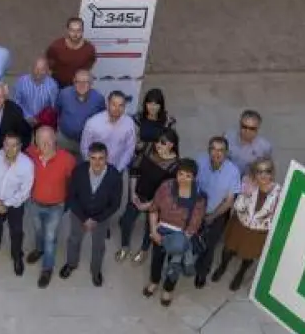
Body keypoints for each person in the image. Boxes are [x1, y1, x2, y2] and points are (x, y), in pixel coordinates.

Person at [142, 160, 206, 307]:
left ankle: (168, 289)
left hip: (180, 236)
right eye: (180, 174)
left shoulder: (198, 197)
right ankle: (154, 281)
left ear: (194, 178)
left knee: (174, 264)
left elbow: (194, 224)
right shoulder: (166, 187)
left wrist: (179, 242)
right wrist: (153, 231)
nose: (183, 178)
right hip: (161, 229)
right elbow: (153, 209)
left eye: (188, 176)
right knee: (157, 259)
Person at [213, 157, 281, 291]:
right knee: (228, 249)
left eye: (267, 171)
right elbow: (238, 207)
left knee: (249, 255)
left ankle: (241, 273)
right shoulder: (248, 184)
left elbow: (278, 215)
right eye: (259, 171)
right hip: (240, 225)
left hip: (258, 231)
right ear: (254, 173)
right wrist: (246, 194)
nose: (263, 175)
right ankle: (222, 266)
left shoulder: (279, 192)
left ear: (272, 173)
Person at [59, 142, 123, 287]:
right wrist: (84, 218)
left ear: (107, 158)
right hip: (79, 213)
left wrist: (96, 219)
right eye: (93, 158)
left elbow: (115, 204)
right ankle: (71, 264)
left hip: (101, 217)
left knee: (98, 245)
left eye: (101, 158)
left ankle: (96, 271)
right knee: (74, 239)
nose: (97, 162)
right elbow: (72, 197)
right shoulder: (79, 171)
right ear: (88, 157)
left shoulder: (114, 176)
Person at [116, 128, 180, 265]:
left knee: (150, 227)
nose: (158, 144)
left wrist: (150, 204)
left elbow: (168, 192)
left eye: (163, 142)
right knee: (126, 221)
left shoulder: (174, 166)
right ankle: (125, 246)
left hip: (156, 202)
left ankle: (144, 250)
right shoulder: (148, 149)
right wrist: (133, 193)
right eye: (157, 141)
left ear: (171, 144)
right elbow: (135, 170)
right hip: (138, 194)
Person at [24, 126, 77, 288]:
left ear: (55, 140)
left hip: (56, 206)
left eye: (49, 139)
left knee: (50, 237)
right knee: (38, 231)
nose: (45, 143)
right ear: (35, 141)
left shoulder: (67, 159)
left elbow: (74, 182)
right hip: (34, 203)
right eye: (41, 139)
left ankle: (47, 268)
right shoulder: (29, 154)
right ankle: (39, 250)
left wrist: (67, 202)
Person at [0, 132, 35, 276]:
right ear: (3, 145)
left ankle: (16, 255)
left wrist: (7, 204)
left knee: (16, 231)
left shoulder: (27, 164)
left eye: (14, 145)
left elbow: (25, 191)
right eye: (6, 145)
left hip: (15, 203)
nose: (9, 149)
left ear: (20, 146)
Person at [193, 136, 242, 288]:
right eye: (213, 149)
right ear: (208, 150)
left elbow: (229, 200)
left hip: (217, 213)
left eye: (221, 150)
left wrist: (212, 216)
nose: (217, 153)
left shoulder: (233, 171)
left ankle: (202, 272)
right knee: (191, 237)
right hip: (195, 209)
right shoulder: (200, 161)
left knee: (209, 245)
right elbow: (191, 184)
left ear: (226, 152)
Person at [79, 91, 137, 173]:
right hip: (95, 168)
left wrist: (118, 169)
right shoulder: (92, 123)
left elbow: (129, 149)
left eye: (121, 105)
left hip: (118, 168)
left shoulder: (129, 123)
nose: (117, 108)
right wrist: (94, 167)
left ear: (124, 107)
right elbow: (85, 148)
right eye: (114, 104)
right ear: (107, 104)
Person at [54, 70, 106, 157]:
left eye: (85, 82)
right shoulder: (64, 94)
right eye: (78, 82)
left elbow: (101, 118)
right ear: (74, 82)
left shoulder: (98, 99)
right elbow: (57, 110)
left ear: (91, 83)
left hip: (86, 142)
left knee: (83, 164)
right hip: (64, 139)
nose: (82, 85)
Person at [44, 17, 96, 89]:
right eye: (72, 30)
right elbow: (48, 64)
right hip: (57, 84)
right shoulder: (56, 46)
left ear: (82, 31)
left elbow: (89, 64)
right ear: (67, 30)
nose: (75, 34)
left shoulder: (89, 49)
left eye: (78, 30)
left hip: (78, 86)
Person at [13, 56, 59, 127]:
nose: (38, 72)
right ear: (31, 68)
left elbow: (53, 107)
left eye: (42, 69)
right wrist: (27, 116)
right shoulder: (21, 81)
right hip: (23, 119)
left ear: (47, 71)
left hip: (43, 122)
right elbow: (16, 102)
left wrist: (40, 119)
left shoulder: (53, 85)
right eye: (36, 68)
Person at [133, 88, 176, 164]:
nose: (152, 107)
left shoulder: (167, 121)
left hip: (160, 160)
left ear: (161, 105)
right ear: (145, 104)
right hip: (140, 159)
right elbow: (134, 142)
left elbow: (170, 143)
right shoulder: (138, 119)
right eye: (149, 103)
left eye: (156, 104)